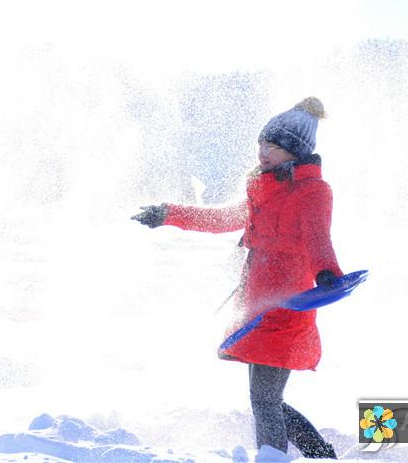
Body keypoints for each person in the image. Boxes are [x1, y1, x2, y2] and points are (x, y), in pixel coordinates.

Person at [132, 97, 342, 460]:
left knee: (263, 398)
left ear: (295, 152)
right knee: (267, 398)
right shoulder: (263, 191)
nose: (264, 152)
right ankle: (320, 455)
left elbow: (318, 239)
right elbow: (220, 219)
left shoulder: (313, 192)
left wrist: (327, 274)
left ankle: (275, 456)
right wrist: (167, 213)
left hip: (288, 307)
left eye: (274, 146)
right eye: (262, 143)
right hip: (258, 304)